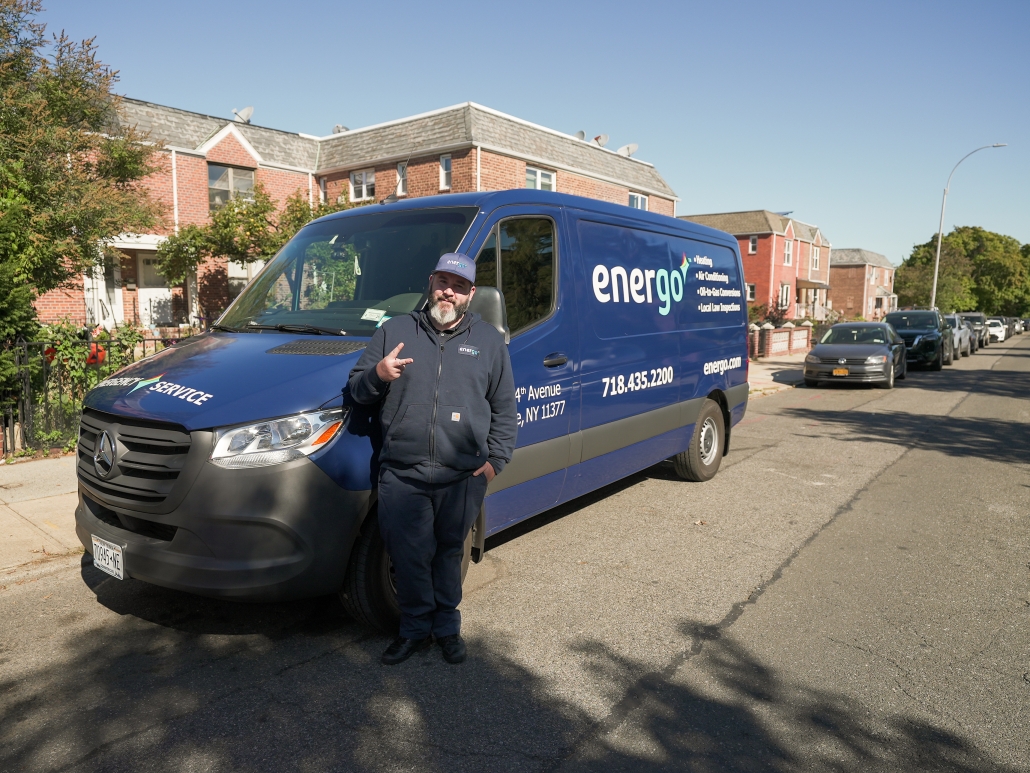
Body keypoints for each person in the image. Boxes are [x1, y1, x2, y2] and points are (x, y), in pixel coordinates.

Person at [347, 253, 517, 665]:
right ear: (431, 282)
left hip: (462, 476)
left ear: (470, 294)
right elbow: (355, 391)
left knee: (448, 554)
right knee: (408, 557)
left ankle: (446, 629)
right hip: (403, 474)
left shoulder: (489, 341)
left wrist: (494, 462)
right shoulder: (394, 331)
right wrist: (378, 375)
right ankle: (413, 630)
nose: (449, 292)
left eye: (459, 286)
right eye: (443, 282)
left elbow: (504, 409)